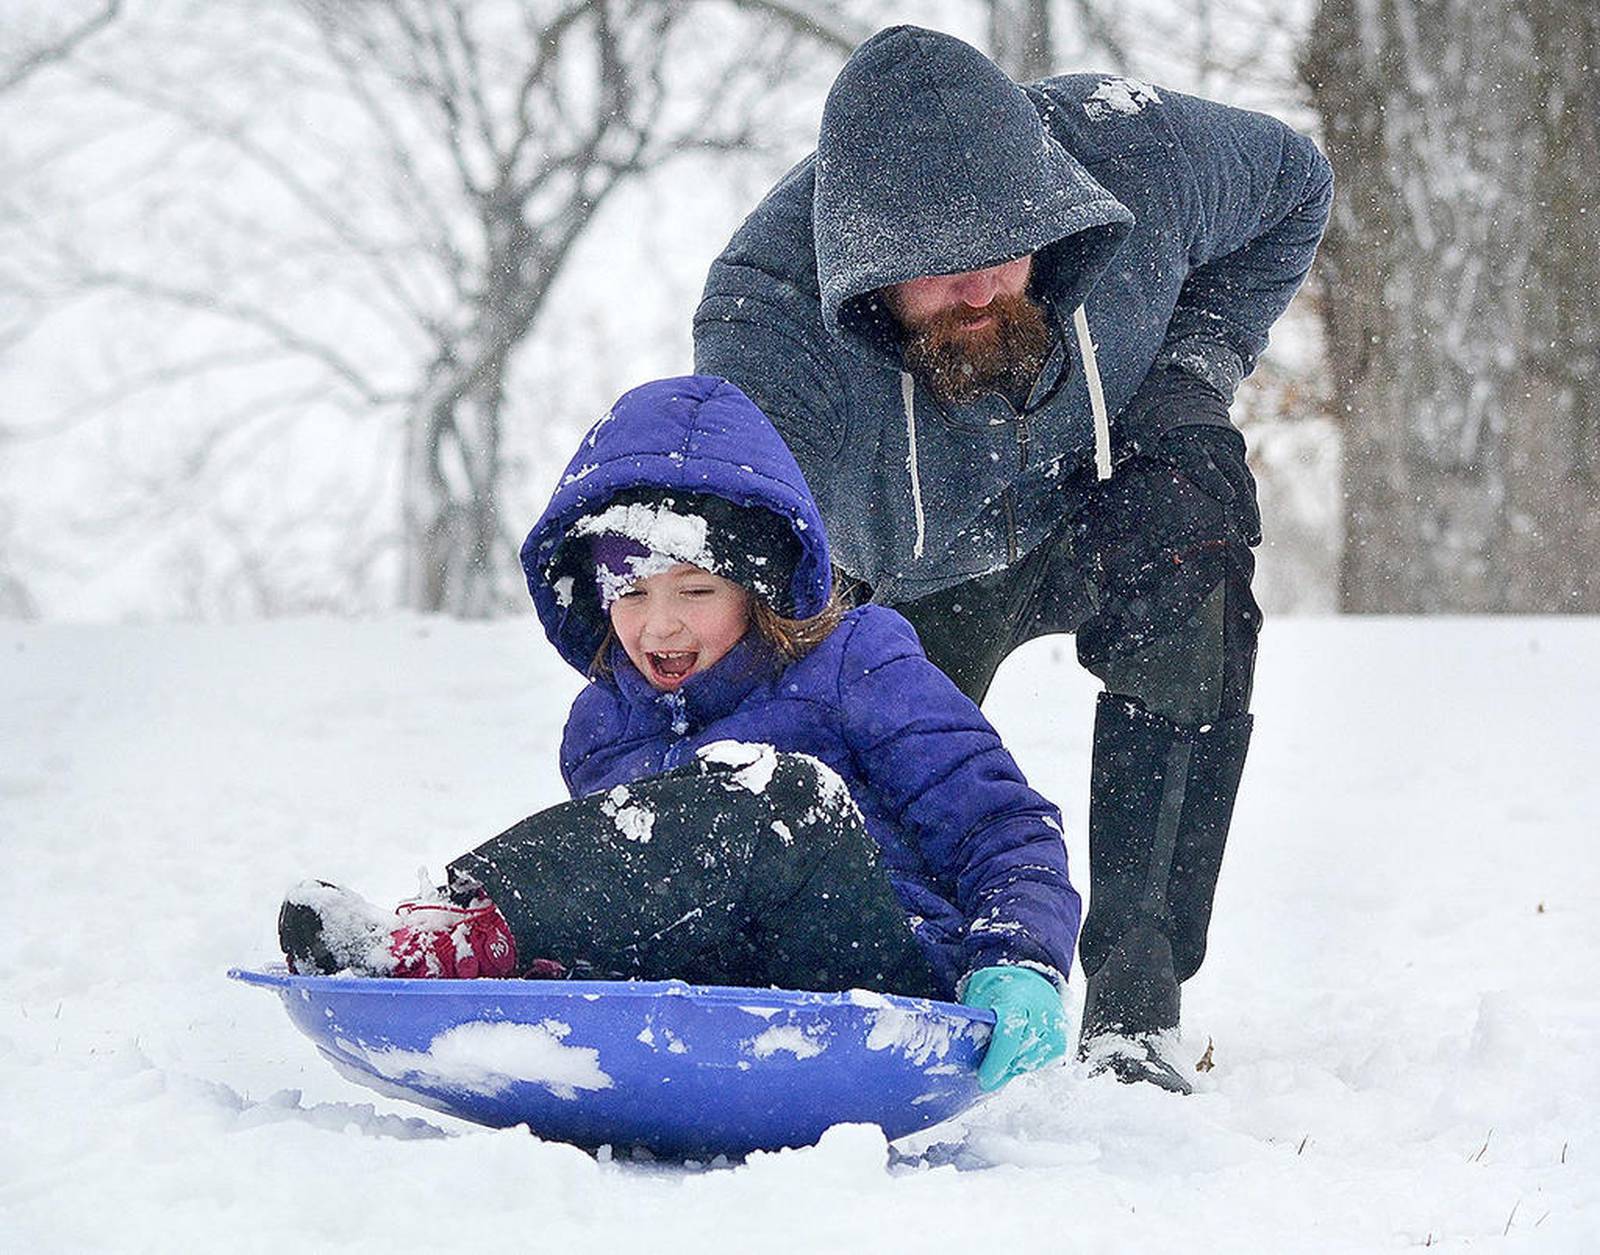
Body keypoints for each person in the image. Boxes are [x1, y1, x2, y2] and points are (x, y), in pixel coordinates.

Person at [692, 26, 1333, 1092]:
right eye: (939, 281)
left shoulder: (1136, 155)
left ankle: (1135, 1004)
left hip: (1104, 494)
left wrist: (1189, 370)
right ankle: (911, 983)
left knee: (1197, 517)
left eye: (1001, 256)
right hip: (902, 578)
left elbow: (1293, 187)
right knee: (870, 780)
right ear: (866, 274)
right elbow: (750, 548)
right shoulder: (767, 313)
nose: (982, 295)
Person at [279, 375, 1082, 1093]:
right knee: (615, 880)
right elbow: (626, 880)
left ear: (759, 586)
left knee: (778, 790)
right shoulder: (602, 726)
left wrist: (1021, 959)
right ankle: (468, 945)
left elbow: (999, 823)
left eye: (694, 588)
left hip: (874, 970)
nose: (658, 624)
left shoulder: (855, 660)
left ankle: (468, 933)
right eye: (629, 594)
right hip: (709, 989)